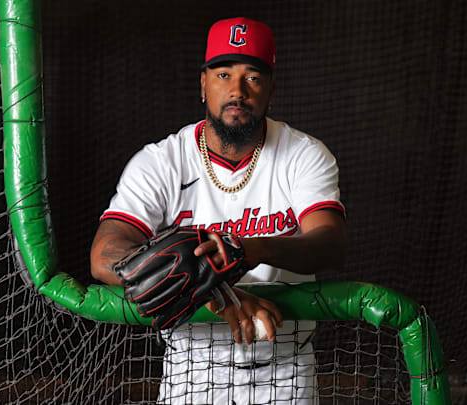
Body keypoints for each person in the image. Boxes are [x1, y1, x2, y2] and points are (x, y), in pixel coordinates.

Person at [90, 17, 346, 404]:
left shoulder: (304, 155)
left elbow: (329, 242)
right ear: (203, 84)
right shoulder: (161, 162)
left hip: (284, 371)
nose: (237, 91)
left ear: (271, 91)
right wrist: (217, 289)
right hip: (191, 370)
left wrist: (254, 248)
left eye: (253, 77)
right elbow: (105, 255)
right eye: (223, 74)